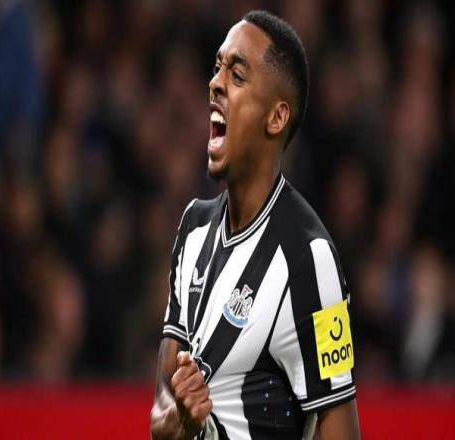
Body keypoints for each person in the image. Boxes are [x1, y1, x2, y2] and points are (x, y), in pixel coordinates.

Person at [150, 10, 360, 440]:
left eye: (237, 75)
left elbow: (342, 431)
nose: (215, 83)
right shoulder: (193, 230)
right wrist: (182, 421)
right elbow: (160, 409)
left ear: (276, 117)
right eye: (217, 68)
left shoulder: (309, 260)